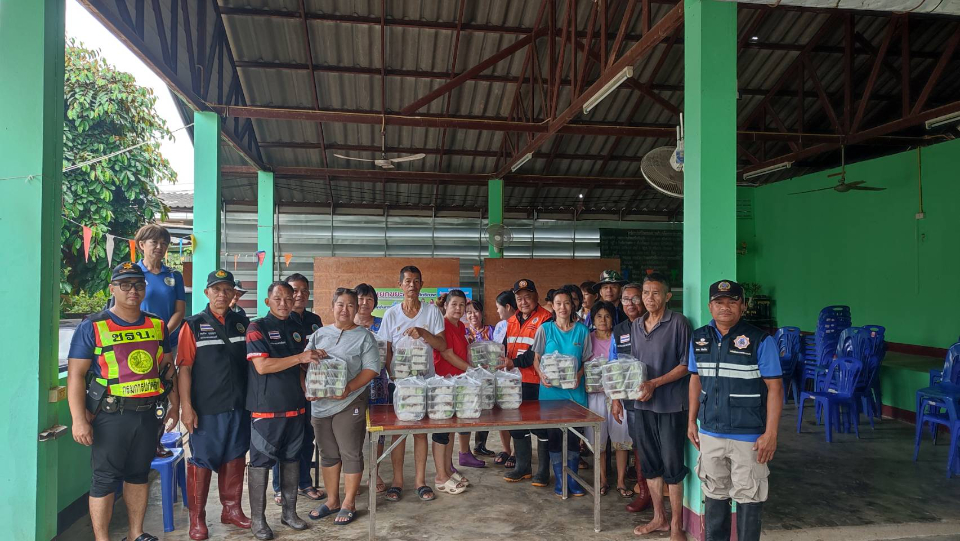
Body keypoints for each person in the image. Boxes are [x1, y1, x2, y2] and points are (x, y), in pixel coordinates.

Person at [67, 262, 179, 541]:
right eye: (125, 284)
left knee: (139, 474)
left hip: (148, 413)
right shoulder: (93, 326)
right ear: (112, 289)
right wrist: (78, 419)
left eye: (139, 284)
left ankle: (135, 534)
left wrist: (175, 404)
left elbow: (167, 368)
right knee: (104, 479)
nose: (133, 290)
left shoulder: (157, 324)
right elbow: (76, 375)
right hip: (110, 415)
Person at [687, 280, 783, 541]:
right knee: (714, 492)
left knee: (749, 494)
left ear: (743, 305)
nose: (725, 307)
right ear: (710, 306)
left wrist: (771, 433)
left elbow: (775, 388)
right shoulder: (699, 338)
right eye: (719, 302)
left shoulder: (760, 340)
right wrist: (692, 421)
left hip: (749, 435)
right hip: (710, 431)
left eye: (732, 302)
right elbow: (695, 379)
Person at [615, 273, 691, 540]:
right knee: (649, 463)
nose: (649, 298)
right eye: (645, 293)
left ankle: (676, 525)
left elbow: (686, 365)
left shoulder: (678, 322)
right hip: (642, 405)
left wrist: (654, 384)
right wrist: (619, 392)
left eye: (655, 293)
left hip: (671, 405)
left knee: (673, 465)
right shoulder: (636, 326)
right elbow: (633, 365)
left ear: (667, 296)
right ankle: (659, 518)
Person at [176, 270, 251, 539]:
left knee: (236, 456)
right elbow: (184, 368)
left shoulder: (243, 324)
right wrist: (186, 407)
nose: (222, 294)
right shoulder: (193, 325)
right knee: (202, 461)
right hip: (206, 408)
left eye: (227, 289)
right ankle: (197, 518)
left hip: (239, 406)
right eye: (216, 289)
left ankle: (231, 509)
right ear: (206, 293)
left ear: (233, 294)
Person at [245, 281, 319, 539]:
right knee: (260, 464)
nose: (284, 303)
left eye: (289, 298)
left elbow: (300, 368)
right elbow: (262, 367)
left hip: (296, 407)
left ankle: (289, 513)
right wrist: (300, 358)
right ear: (268, 301)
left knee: (291, 460)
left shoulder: (297, 328)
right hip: (266, 410)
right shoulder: (257, 328)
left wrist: (307, 387)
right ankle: (258, 520)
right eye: (278, 298)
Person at [306, 288, 380, 525]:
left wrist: (348, 388)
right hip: (321, 405)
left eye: (350, 305)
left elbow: (372, 368)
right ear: (332, 306)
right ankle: (332, 501)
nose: (344, 309)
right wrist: (307, 388)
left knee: (350, 451)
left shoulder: (364, 337)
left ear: (356, 309)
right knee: (327, 453)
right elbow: (305, 362)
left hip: (350, 402)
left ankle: (349, 502)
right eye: (340, 304)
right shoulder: (319, 334)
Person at [376, 265, 448, 503]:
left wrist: (423, 333)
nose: (412, 285)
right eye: (407, 281)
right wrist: (392, 376)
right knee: (399, 433)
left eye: (416, 281)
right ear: (400, 285)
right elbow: (386, 349)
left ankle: (420, 481)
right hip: (400, 383)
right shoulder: (391, 314)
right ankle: (397, 482)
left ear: (421, 285)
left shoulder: (431, 312)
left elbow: (441, 345)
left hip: (424, 381)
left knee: (420, 432)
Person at [530, 285, 591, 497]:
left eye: (566, 303)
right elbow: (536, 359)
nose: (563, 307)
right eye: (558, 303)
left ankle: (572, 480)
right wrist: (541, 375)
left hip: (574, 394)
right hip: (551, 395)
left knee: (573, 439)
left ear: (573, 305)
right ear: (553, 306)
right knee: (555, 437)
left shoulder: (582, 331)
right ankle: (560, 480)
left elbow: (587, 361)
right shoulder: (545, 329)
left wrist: (579, 375)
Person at [270, 273, 325, 505]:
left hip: (311, 390)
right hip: (285, 389)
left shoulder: (314, 320)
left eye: (304, 290)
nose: (299, 295)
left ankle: (304, 482)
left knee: (306, 437)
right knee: (282, 439)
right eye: (294, 290)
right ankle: (280, 487)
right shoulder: (279, 321)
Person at [134, 224, 186, 458]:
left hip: (167, 343)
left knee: (163, 388)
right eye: (154, 242)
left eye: (164, 243)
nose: (159, 247)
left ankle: (156, 439)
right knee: (139, 389)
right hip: (137, 343)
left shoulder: (173, 276)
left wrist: (161, 333)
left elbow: (179, 311)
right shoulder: (132, 273)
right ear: (141, 245)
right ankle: (136, 441)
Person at [500, 279, 552, 484]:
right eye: (519, 298)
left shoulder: (546, 319)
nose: (523, 302)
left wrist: (513, 362)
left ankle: (543, 471)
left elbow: (536, 352)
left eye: (527, 297)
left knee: (540, 427)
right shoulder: (512, 320)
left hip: (535, 381)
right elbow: (506, 346)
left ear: (536, 297)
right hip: (514, 382)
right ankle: (523, 468)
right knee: (516, 425)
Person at [609, 282, 652, 513]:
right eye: (626, 299)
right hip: (631, 400)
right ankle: (644, 492)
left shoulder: (654, 324)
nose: (631, 304)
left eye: (636, 299)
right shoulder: (619, 330)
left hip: (658, 396)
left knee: (659, 443)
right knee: (638, 443)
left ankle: (661, 488)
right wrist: (616, 399)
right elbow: (613, 366)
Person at [585, 301, 633, 499]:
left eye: (607, 316)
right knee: (598, 438)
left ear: (613, 319)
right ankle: (602, 479)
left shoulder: (620, 337)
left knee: (621, 437)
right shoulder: (588, 339)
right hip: (594, 396)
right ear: (592, 319)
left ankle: (621, 481)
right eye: (598, 316)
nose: (603, 320)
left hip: (618, 395)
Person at [430, 290, 477, 494]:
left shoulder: (461, 326)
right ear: (446, 306)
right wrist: (472, 370)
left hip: (458, 384)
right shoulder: (442, 325)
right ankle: (440, 477)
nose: (458, 308)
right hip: (443, 384)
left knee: (450, 429)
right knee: (442, 430)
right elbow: (447, 354)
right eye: (454, 304)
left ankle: (448, 469)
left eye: (461, 305)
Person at [355, 283, 390, 494]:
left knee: (377, 430)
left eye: (369, 299)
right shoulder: (348, 323)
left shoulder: (382, 324)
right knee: (353, 431)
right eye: (360, 298)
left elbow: (390, 352)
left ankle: (374, 472)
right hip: (354, 386)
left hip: (378, 384)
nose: (364, 303)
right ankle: (355, 475)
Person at [463, 298, 495, 457]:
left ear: (482, 313)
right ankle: (465, 449)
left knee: (486, 410)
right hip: (469, 377)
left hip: (488, 377)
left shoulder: (491, 330)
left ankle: (480, 445)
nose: (472, 315)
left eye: (475, 311)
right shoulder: (463, 332)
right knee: (470, 410)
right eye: (469, 312)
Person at [490, 290, 517, 464]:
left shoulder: (520, 323)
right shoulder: (500, 326)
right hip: (500, 375)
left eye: (498, 307)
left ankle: (516, 451)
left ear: (507, 307)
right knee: (502, 413)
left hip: (517, 375)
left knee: (515, 414)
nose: (497, 311)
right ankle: (506, 448)